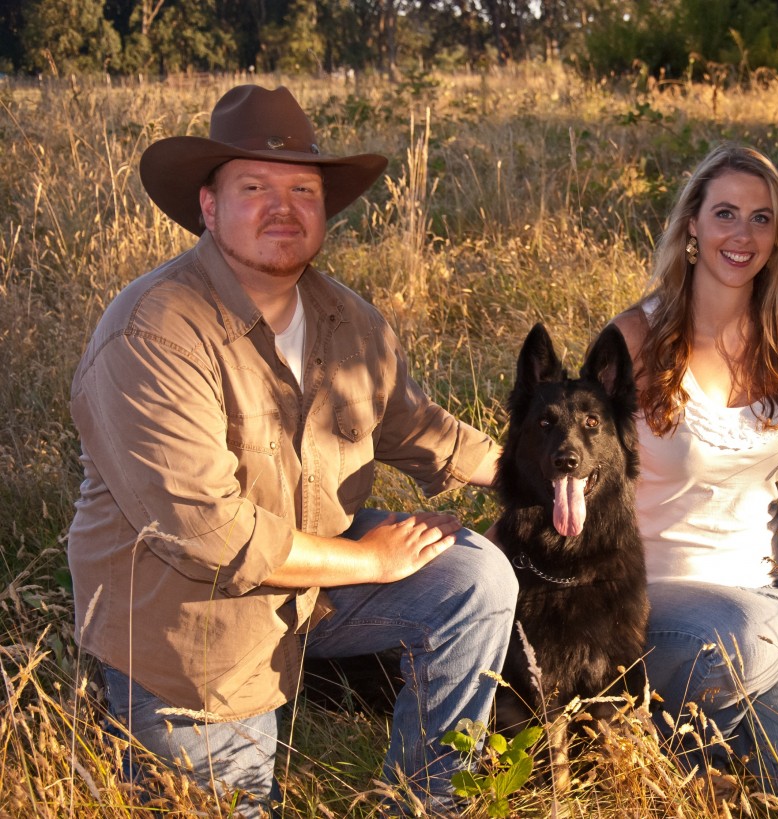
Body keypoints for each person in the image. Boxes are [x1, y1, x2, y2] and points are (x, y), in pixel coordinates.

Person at [67, 84, 517, 817]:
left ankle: (431, 801)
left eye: (302, 189)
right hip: (196, 640)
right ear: (209, 208)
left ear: (325, 209)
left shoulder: (350, 320)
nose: (283, 207)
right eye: (255, 187)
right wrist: (373, 560)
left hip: (314, 582)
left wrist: (544, 478)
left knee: (476, 578)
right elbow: (210, 534)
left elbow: (412, 424)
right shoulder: (153, 333)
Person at [610, 144, 778, 809]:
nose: (741, 235)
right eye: (725, 213)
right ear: (691, 224)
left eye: (760, 218)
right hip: (652, 596)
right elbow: (570, 468)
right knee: (742, 634)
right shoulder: (634, 338)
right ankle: (670, 757)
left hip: (763, 595)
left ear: (777, 234)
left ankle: (719, 743)